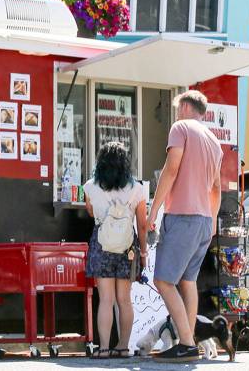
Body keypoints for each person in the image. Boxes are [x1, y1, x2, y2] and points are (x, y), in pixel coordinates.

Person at [147, 90, 223, 363]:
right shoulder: (215, 141)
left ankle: (187, 343)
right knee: (187, 281)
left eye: (179, 109)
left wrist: (153, 209)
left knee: (163, 281)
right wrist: (212, 221)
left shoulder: (180, 127)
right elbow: (216, 188)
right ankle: (187, 340)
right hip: (204, 219)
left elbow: (171, 168)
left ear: (185, 108)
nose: (177, 114)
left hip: (182, 216)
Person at [83, 141, 148, 359]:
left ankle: (103, 348)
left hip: (102, 246)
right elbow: (142, 224)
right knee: (124, 300)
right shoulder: (137, 189)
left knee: (106, 300)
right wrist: (144, 252)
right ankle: (122, 346)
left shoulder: (90, 187)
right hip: (127, 248)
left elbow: (91, 214)